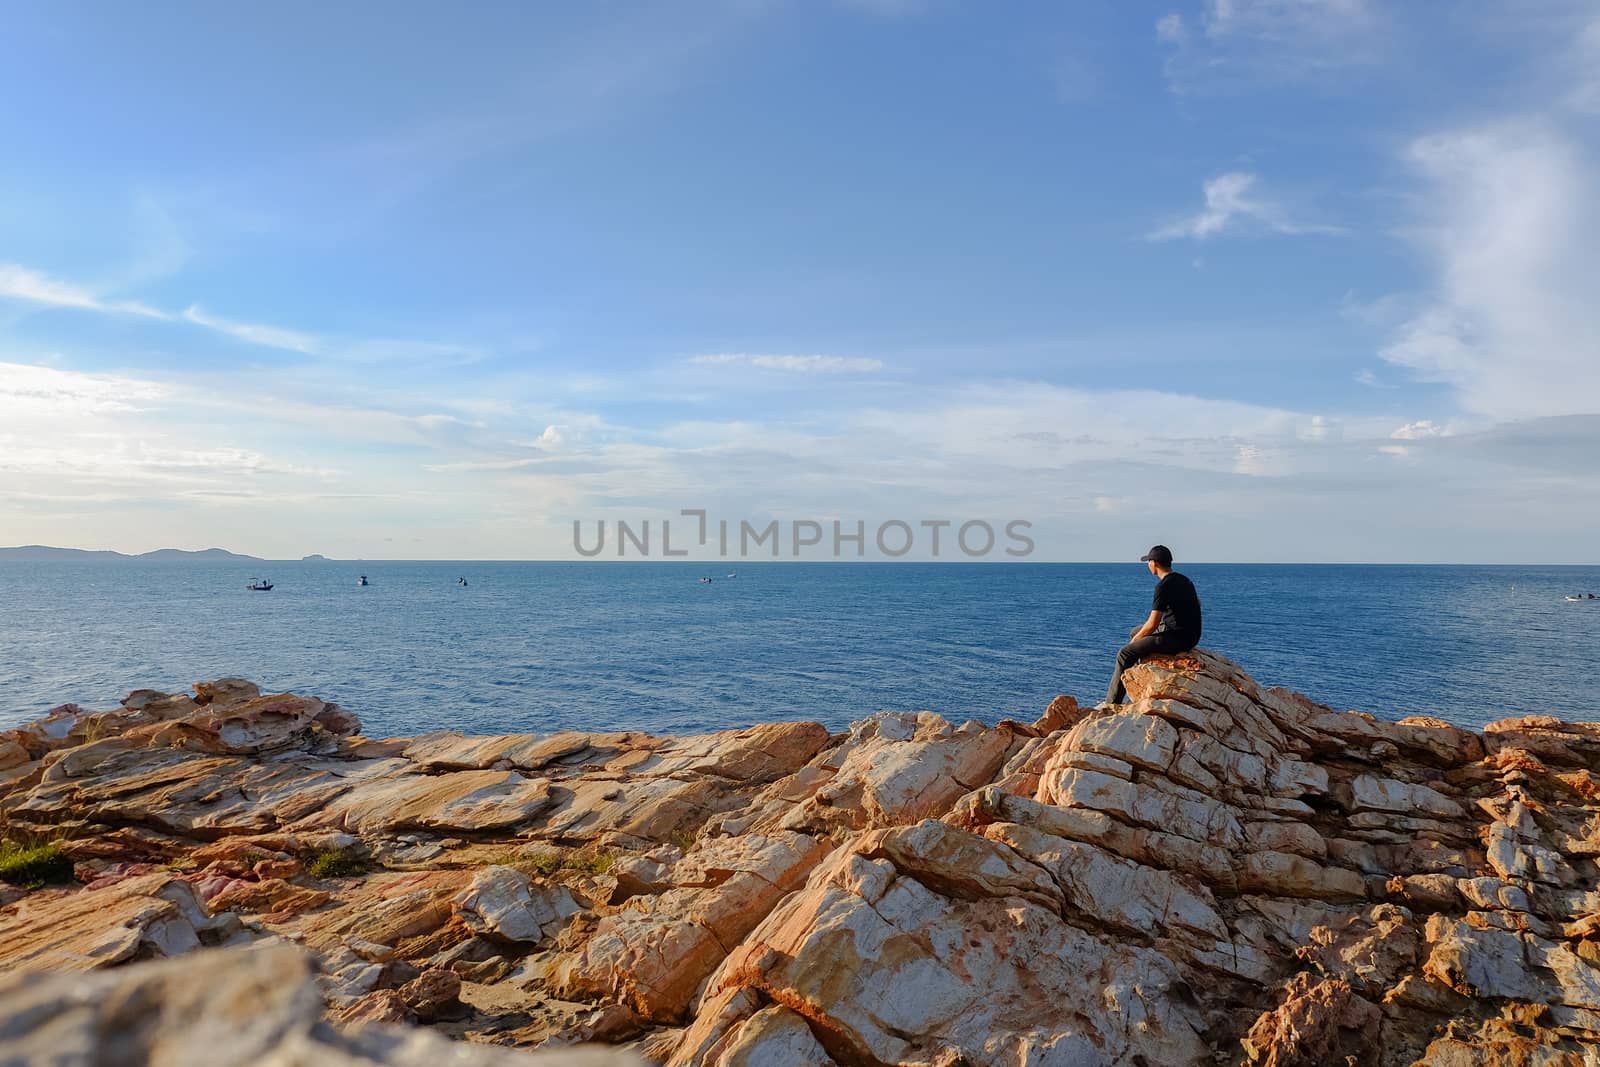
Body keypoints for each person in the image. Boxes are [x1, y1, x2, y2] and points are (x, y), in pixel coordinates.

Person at [1106, 545, 1202, 705]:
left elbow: (1152, 624)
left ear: (1155, 563)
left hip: (1177, 638)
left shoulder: (1163, 586)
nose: (1147, 564)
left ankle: (1112, 703)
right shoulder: (1184, 579)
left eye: (1148, 561)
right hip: (1191, 635)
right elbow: (1198, 602)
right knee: (1135, 631)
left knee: (1124, 653)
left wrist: (1134, 641)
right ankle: (1138, 677)